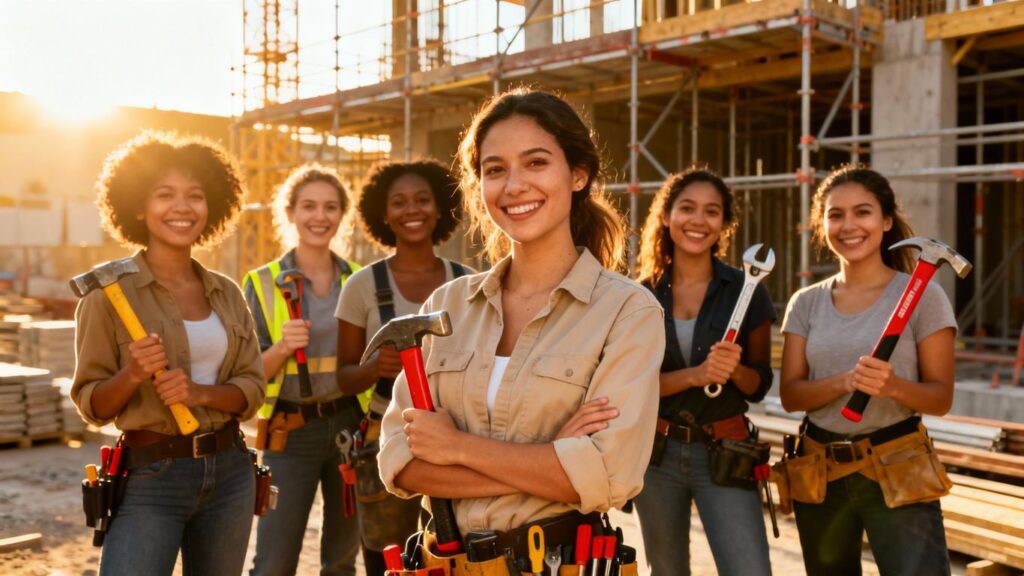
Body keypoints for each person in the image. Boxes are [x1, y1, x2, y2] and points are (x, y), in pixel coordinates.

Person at [376, 88, 663, 574]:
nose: (513, 186)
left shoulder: (627, 312)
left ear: (578, 174)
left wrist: (457, 449)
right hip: (441, 563)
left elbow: (607, 477)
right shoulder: (446, 306)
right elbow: (401, 465)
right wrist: (548, 459)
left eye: (535, 163)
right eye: (494, 169)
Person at [71, 131, 265, 575]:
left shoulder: (227, 293)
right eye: (165, 195)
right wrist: (133, 373)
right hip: (151, 477)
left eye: (195, 196)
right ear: (138, 206)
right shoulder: (106, 297)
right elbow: (93, 406)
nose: (182, 207)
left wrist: (201, 394)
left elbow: (253, 389)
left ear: (211, 206)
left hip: (231, 473)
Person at [779, 166, 957, 576]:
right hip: (820, 473)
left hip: (898, 468)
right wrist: (845, 382)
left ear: (886, 220)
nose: (848, 225)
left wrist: (893, 386)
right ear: (821, 224)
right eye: (835, 214)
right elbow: (790, 395)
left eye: (863, 212)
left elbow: (941, 398)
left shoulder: (924, 296)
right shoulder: (805, 303)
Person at [633, 168, 776, 576]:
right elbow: (632, 387)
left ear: (724, 224)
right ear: (666, 216)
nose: (699, 220)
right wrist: (696, 375)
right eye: (687, 208)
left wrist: (734, 371)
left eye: (712, 211)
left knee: (749, 570)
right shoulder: (638, 296)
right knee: (667, 571)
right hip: (656, 457)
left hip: (726, 452)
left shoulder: (748, 290)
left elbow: (759, 385)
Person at [334, 159, 470, 576]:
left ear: (440, 208)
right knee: (386, 557)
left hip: (457, 439)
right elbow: (342, 377)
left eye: (423, 200)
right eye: (399, 202)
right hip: (384, 439)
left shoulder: (467, 284)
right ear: (383, 213)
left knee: (452, 555)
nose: (412, 210)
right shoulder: (361, 286)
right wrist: (376, 367)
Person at [244, 164, 366, 576]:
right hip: (289, 434)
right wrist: (282, 347)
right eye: (309, 206)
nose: (320, 216)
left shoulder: (358, 281)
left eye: (331, 207)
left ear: (341, 216)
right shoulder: (261, 283)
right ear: (291, 212)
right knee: (274, 563)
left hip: (350, 428)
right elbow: (246, 376)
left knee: (342, 561)